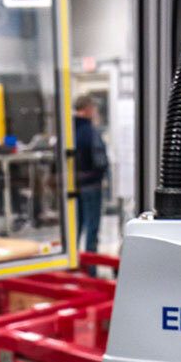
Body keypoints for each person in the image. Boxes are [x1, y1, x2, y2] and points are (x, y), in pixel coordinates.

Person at [72, 94, 108, 254]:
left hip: (74, 185)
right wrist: (103, 176)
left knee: (76, 226)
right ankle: (90, 269)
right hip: (91, 185)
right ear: (87, 109)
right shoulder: (90, 131)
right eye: (93, 108)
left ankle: (74, 265)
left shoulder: (69, 130)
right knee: (92, 227)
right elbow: (100, 161)